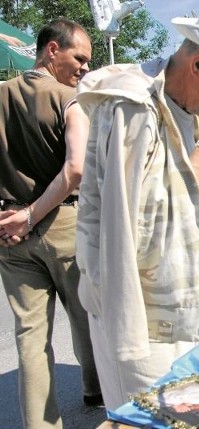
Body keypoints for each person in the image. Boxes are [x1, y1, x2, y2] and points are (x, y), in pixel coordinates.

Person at [75, 5, 199, 409]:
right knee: (149, 414)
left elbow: (179, 203)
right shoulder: (131, 108)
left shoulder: (185, 107)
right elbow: (139, 223)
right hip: (139, 318)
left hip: (175, 305)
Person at [0, 19, 101, 429]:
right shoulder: (70, 99)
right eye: (79, 58)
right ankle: (97, 391)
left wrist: (14, 216)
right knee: (87, 315)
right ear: (52, 50)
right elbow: (75, 170)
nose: (84, 68)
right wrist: (32, 215)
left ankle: (40, 425)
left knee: (29, 338)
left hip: (10, 232)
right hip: (62, 224)